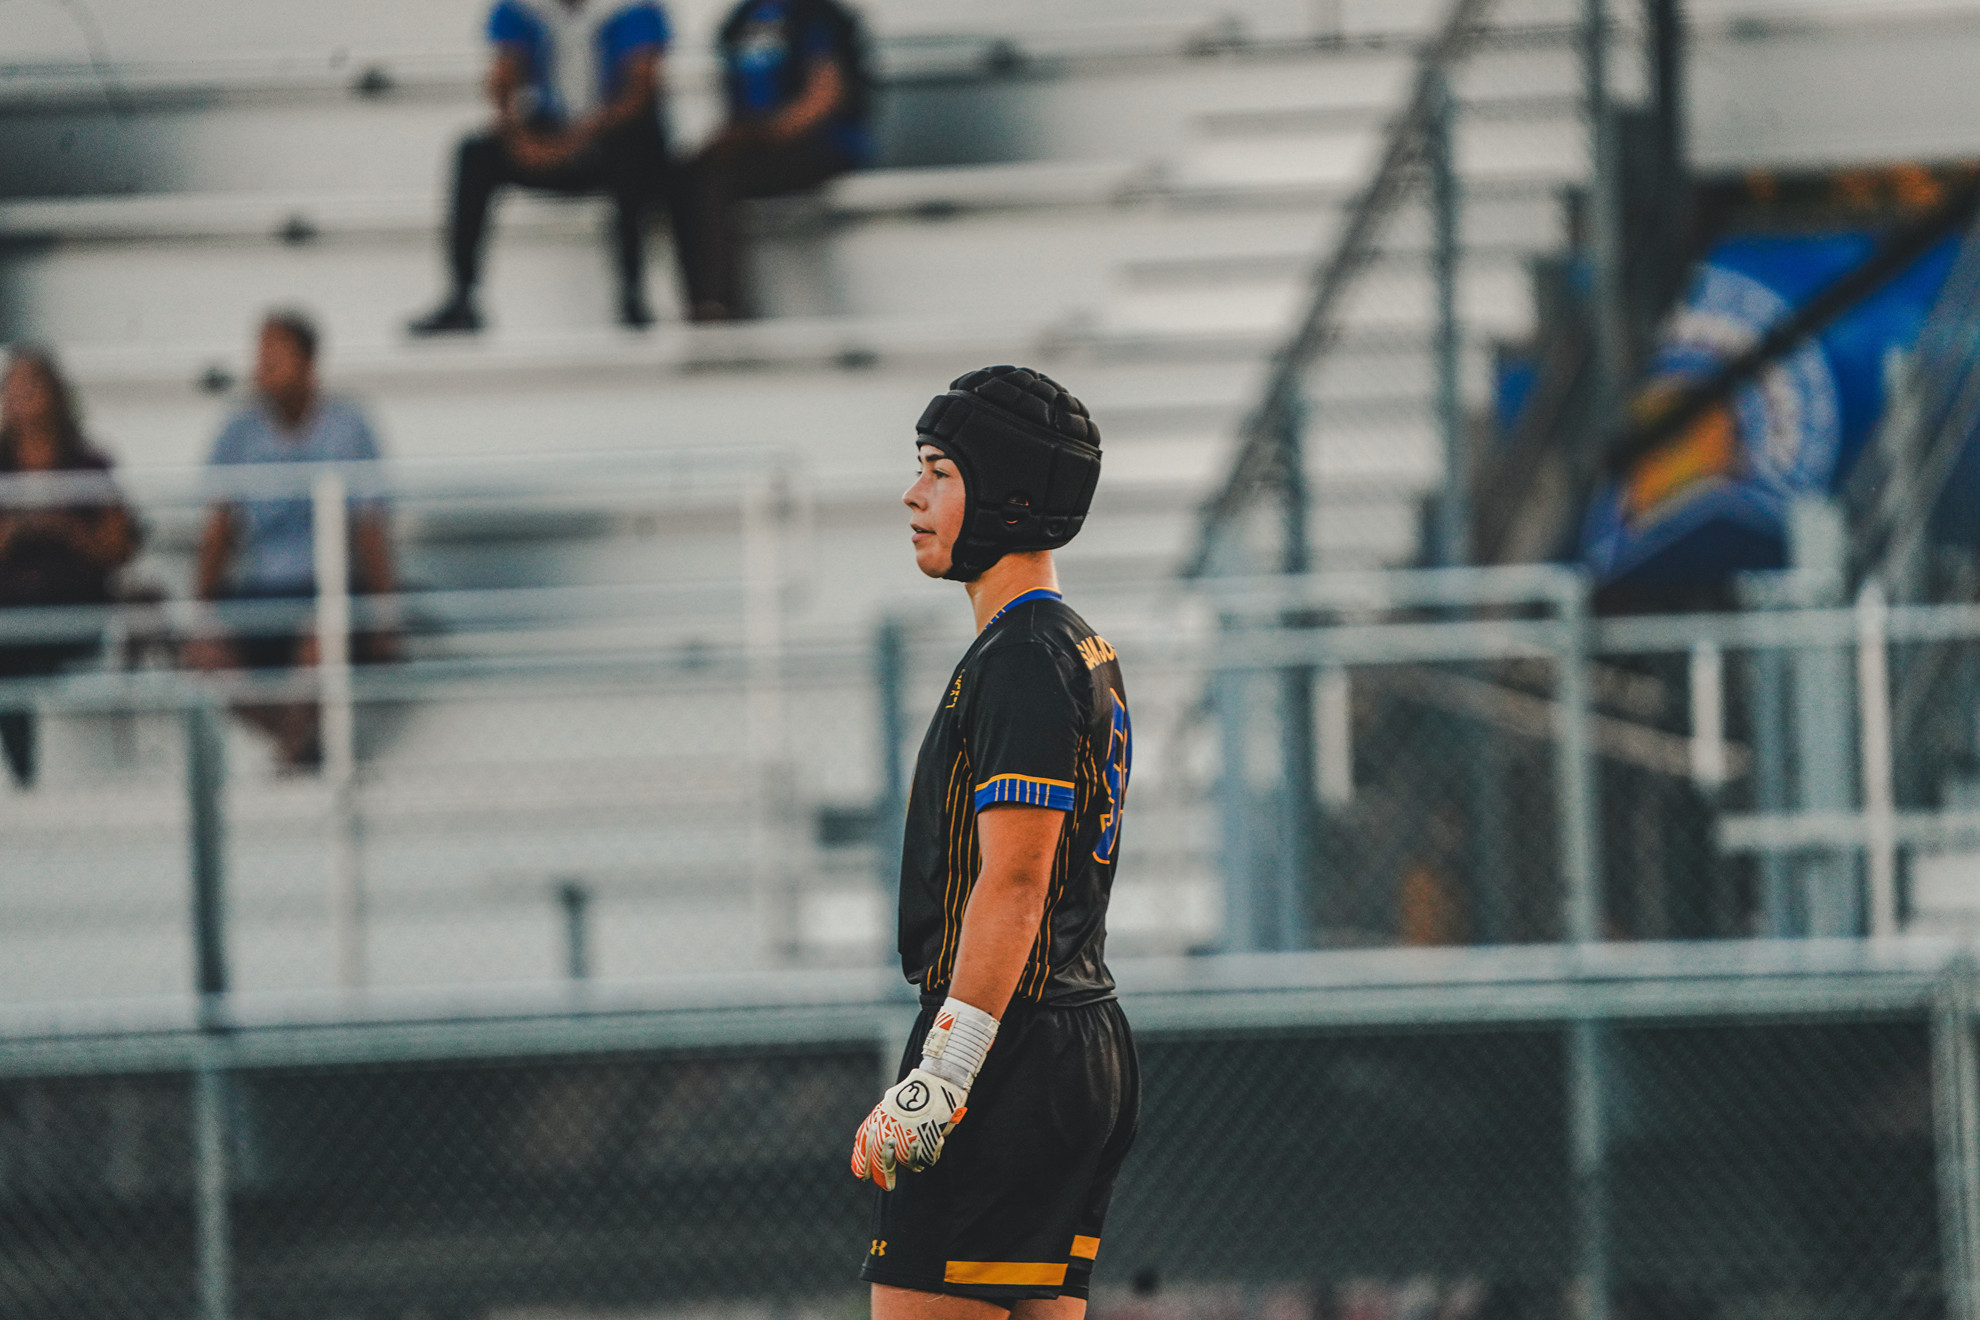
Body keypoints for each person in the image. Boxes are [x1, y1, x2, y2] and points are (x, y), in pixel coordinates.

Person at [851, 366, 1138, 1320]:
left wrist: (943, 1075)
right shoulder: (1072, 646)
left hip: (1008, 1045)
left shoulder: (1022, 660)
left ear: (1010, 496)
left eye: (939, 470)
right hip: (1071, 1031)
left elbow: (1015, 881)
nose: (913, 494)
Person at [187, 311, 396, 771]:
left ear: (309, 362)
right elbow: (219, 527)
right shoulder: (238, 430)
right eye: (260, 357)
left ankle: (292, 750)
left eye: (275, 357)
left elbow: (370, 526)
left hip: (330, 587)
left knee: (322, 637)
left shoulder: (348, 427)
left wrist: (385, 613)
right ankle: (296, 742)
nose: (262, 368)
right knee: (202, 653)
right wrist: (201, 611)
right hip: (261, 593)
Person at [408, 0, 673, 335]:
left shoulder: (633, 8)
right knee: (475, 153)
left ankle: (633, 295)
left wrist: (574, 141)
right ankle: (462, 296)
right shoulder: (523, 9)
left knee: (633, 151)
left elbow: (641, 92)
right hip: (551, 132)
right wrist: (518, 137)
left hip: (612, 139)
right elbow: (504, 77)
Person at [673, 0, 871, 322]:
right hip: (760, 145)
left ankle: (720, 302)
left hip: (817, 144)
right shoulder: (740, 18)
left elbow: (825, 95)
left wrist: (758, 134)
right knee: (685, 173)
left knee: (718, 179)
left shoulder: (817, 14)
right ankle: (700, 298)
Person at [0, 348, 138, 789]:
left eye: (32, 385)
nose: (21, 396)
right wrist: (18, 527)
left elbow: (119, 548)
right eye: (13, 386)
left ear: (56, 395)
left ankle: (34, 774)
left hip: (77, 606)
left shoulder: (88, 463)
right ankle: (25, 772)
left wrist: (65, 527)